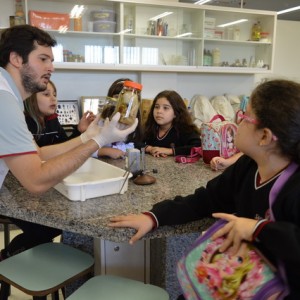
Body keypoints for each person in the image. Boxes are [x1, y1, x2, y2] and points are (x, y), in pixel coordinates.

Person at [109, 79, 300, 299]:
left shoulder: (294, 185)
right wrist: (153, 217)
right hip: (240, 280)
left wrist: (258, 229)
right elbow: (205, 200)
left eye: (244, 116)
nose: (236, 120)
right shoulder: (247, 167)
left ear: (265, 136)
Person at [0, 24, 137, 260]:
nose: (51, 68)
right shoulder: (4, 101)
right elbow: (36, 180)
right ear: (16, 59)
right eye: (42, 59)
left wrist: (87, 137)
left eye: (51, 60)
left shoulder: (7, 96)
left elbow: (39, 153)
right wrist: (100, 140)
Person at [24, 80, 95, 146]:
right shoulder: (23, 123)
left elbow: (64, 146)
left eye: (54, 95)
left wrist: (79, 130)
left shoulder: (53, 120)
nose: (54, 99)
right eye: (46, 94)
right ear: (31, 98)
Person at [143, 90, 201, 157]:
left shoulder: (186, 129)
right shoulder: (150, 127)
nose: (159, 111)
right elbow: (133, 143)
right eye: (156, 107)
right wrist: (151, 149)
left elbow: (197, 147)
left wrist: (170, 151)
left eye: (165, 108)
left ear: (176, 113)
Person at [96, 78, 144, 159]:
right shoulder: (101, 120)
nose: (121, 104)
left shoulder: (134, 123)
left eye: (128, 102)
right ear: (110, 100)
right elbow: (86, 149)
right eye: (117, 98)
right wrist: (104, 151)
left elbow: (136, 144)